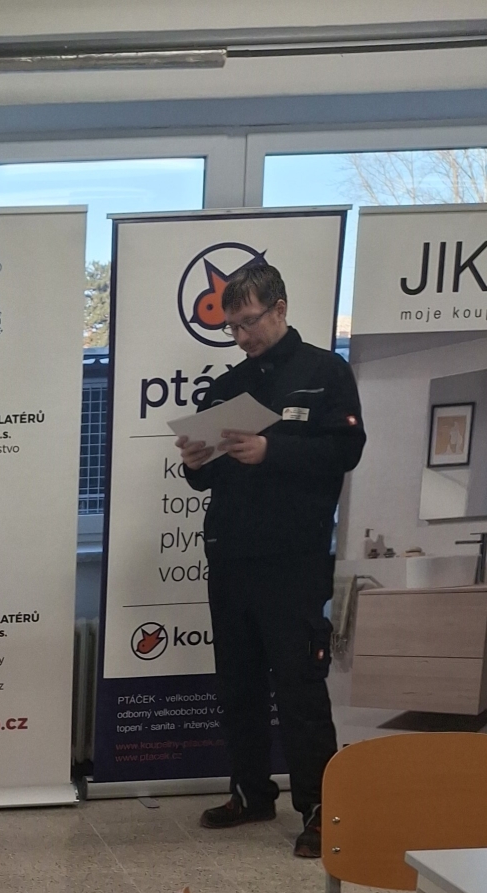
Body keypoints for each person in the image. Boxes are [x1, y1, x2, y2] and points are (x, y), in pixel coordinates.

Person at [175, 262, 365, 859]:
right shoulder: (228, 385)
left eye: (248, 322)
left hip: (293, 560)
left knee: (300, 686)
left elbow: (346, 450)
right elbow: (200, 479)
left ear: (279, 309)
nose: (240, 336)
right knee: (238, 684)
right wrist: (196, 461)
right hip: (231, 556)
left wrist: (270, 450)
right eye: (231, 327)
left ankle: (320, 809)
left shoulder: (325, 373)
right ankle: (251, 793)